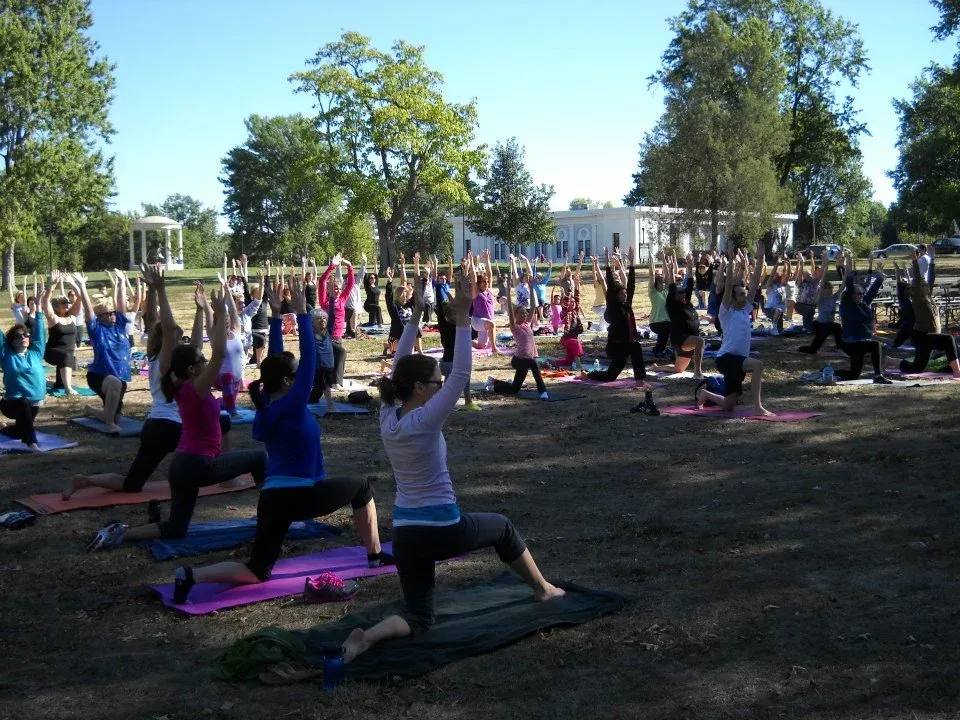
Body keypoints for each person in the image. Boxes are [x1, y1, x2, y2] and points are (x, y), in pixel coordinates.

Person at [340, 272, 564, 663]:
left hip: (406, 534)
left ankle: (370, 636)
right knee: (503, 528)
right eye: (435, 380)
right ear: (421, 388)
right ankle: (543, 588)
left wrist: (415, 315)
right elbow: (461, 374)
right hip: (442, 528)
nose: (441, 383)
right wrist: (462, 317)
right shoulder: (424, 420)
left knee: (420, 617)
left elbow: (399, 367)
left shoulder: (389, 414)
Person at [170, 272, 391, 604]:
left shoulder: (266, 407)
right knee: (362, 488)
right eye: (294, 374)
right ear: (289, 381)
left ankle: (191, 576)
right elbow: (310, 360)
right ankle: (375, 555)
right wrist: (301, 315)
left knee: (257, 569)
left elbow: (274, 363)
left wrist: (275, 317)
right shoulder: (292, 402)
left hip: (272, 499)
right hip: (301, 495)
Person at [86, 274, 267, 551]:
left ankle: (120, 532)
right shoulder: (196, 388)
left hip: (181, 466)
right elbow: (217, 351)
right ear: (193, 369)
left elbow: (173, 333)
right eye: (201, 361)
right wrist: (219, 315)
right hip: (200, 465)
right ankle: (273, 515)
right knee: (260, 458)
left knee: (176, 528)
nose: (206, 362)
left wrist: (171, 295)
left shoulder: (175, 382)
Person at [64, 271, 234, 499]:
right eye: (176, 337)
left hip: (154, 426)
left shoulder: (168, 362)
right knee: (223, 423)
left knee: (132, 483)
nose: (180, 338)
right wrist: (159, 291)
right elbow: (171, 329)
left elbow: (193, 345)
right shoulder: (168, 364)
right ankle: (226, 476)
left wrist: (200, 310)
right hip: (173, 426)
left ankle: (87, 480)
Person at [696, 243, 773, 415]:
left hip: (738, 360)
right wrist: (730, 260)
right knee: (758, 365)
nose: (745, 296)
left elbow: (753, 284)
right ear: (732, 296)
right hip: (726, 358)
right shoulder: (726, 312)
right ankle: (758, 407)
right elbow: (729, 283)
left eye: (745, 294)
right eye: (741, 294)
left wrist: (760, 258)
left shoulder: (745, 308)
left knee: (729, 405)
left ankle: (705, 394)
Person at [581, 247, 650, 389]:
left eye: (625, 294)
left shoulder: (627, 305)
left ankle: (588, 374)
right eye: (622, 294)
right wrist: (606, 263)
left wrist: (631, 264)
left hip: (625, 345)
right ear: (616, 295)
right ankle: (640, 381)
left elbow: (631, 285)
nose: (625, 295)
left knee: (610, 376)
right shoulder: (613, 306)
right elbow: (611, 285)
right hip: (617, 345)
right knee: (636, 348)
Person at [885, 250, 960, 378]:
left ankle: (890, 361)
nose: (927, 285)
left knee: (917, 368)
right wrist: (915, 261)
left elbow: (931, 278)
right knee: (949, 339)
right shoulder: (918, 299)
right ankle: (957, 372)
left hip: (928, 337)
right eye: (924, 285)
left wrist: (932, 260)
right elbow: (919, 278)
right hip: (921, 336)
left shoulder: (929, 297)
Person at [74, 269, 132, 434]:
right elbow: (88, 310)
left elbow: (121, 305)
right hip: (99, 375)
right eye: (108, 313)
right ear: (100, 317)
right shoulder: (96, 329)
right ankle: (109, 425)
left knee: (115, 415)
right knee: (115, 383)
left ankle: (91, 411)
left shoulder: (119, 325)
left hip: (120, 377)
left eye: (112, 312)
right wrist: (82, 287)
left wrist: (120, 282)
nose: (112, 315)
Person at [486, 257, 549, 399]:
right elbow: (510, 308)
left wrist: (532, 288)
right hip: (519, 359)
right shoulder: (515, 326)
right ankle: (542, 391)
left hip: (528, 358)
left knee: (515, 388)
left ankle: (493, 383)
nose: (525, 314)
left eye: (524, 313)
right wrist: (508, 293)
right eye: (521, 313)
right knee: (533, 364)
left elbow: (532, 307)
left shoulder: (527, 323)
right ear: (516, 315)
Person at [1, 276, 50, 450]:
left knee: (19, 430)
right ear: (12, 341)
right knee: (22, 404)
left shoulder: (36, 353)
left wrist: (37, 309)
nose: (24, 337)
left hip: (34, 403)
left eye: (26, 335)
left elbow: (40, 332)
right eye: (19, 336)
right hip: (11, 404)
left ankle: (9, 430)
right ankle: (32, 443)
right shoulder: (6, 355)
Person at [834, 252, 891, 384]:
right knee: (875, 345)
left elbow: (871, 292)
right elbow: (848, 282)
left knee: (853, 375)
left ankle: (828, 370)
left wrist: (880, 277)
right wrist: (847, 263)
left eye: (861, 294)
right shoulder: (847, 304)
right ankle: (878, 375)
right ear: (852, 295)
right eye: (858, 294)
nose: (860, 296)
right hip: (850, 343)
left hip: (860, 342)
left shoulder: (863, 305)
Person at [437, 257, 480, 410]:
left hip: (455, 363)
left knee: (465, 370)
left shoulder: (461, 324)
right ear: (449, 315)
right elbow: (445, 305)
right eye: (455, 313)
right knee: (458, 375)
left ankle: (468, 401)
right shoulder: (446, 325)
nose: (459, 315)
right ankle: (444, 401)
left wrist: (468, 270)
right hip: (447, 364)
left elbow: (468, 299)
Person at [663, 252, 705, 377]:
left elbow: (690, 284)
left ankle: (656, 368)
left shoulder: (687, 303)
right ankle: (697, 372)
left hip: (688, 339)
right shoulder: (672, 305)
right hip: (680, 339)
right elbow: (671, 286)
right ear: (674, 296)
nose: (682, 294)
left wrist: (690, 267)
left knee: (678, 370)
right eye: (679, 293)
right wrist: (670, 270)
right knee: (700, 342)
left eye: (683, 293)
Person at [42, 271, 83, 394]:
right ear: (56, 306)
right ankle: (68, 388)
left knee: (58, 384)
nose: (67, 304)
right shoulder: (53, 318)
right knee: (66, 356)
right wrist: (52, 284)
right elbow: (45, 301)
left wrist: (71, 283)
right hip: (52, 352)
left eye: (67, 302)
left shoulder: (73, 316)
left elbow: (80, 297)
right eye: (63, 303)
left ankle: (54, 383)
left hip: (67, 354)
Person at [797, 255, 843, 355]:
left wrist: (846, 269)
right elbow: (822, 284)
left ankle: (840, 347)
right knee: (836, 327)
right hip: (819, 326)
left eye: (831, 289)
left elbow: (843, 286)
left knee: (835, 328)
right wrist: (825, 266)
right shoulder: (820, 299)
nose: (830, 291)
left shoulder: (833, 297)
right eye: (828, 289)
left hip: (828, 326)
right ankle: (839, 348)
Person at [309, 283, 337, 413]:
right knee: (317, 390)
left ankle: (330, 404)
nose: (322, 320)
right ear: (312, 322)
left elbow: (332, 313)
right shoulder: (310, 333)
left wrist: (331, 296)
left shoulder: (328, 331)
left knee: (325, 385)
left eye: (323, 318)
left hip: (328, 364)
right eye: (318, 319)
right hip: (316, 365)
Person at [469, 249, 501, 354]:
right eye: (483, 281)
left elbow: (490, 274)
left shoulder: (489, 290)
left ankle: (466, 341)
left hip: (486, 322)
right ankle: (494, 348)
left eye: (487, 281)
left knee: (481, 346)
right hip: (477, 321)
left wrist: (487, 260)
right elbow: (473, 277)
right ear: (479, 283)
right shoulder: (476, 292)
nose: (486, 283)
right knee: (492, 324)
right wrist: (471, 263)